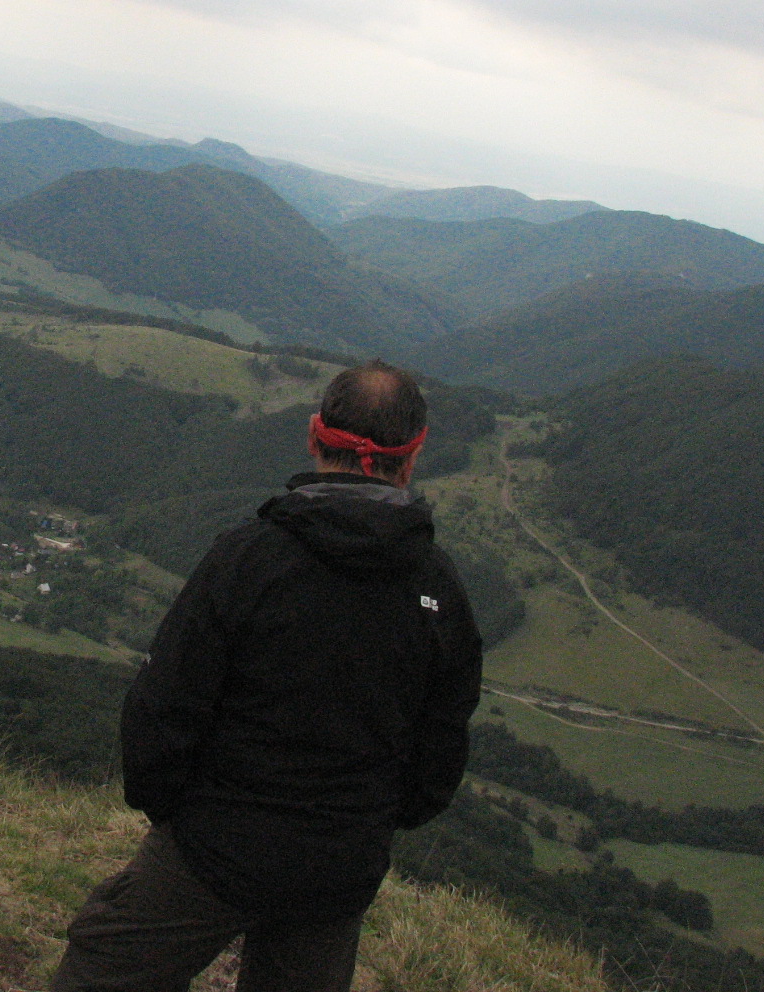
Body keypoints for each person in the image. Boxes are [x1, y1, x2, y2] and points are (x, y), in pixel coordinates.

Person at [51, 360, 483, 992]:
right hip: (339, 866)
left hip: (214, 845)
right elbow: (440, 747)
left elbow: (163, 705)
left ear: (313, 435)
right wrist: (369, 825)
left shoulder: (248, 559)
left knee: (104, 971)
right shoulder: (438, 589)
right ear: (412, 457)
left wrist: (172, 813)